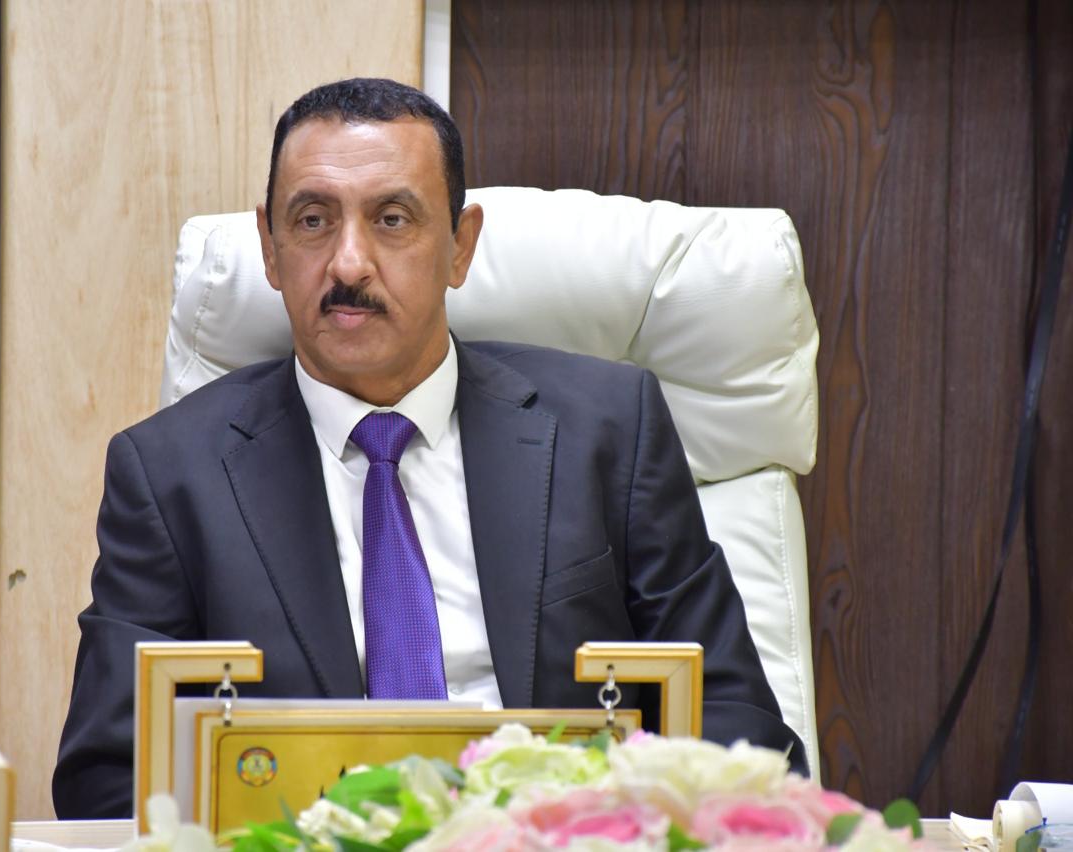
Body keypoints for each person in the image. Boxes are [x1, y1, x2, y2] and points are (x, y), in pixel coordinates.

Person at [53, 77, 806, 818]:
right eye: (312, 221)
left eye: (392, 219)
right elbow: (107, 777)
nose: (348, 264)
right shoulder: (169, 475)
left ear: (459, 247)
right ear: (271, 251)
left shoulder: (609, 429)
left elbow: (739, 724)